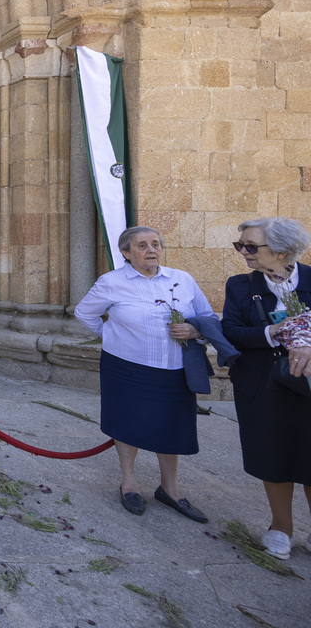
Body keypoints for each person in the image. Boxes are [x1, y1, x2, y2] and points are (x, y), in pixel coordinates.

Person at [74, 226, 214, 522]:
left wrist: (194, 330)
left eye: (155, 244)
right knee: (126, 422)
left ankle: (170, 489)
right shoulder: (112, 282)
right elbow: (84, 313)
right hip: (126, 366)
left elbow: (208, 317)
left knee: (172, 425)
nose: (151, 250)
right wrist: (111, 335)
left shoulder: (181, 279)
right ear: (125, 253)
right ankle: (129, 482)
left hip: (174, 367)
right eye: (142, 245)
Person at [221, 217, 311, 559]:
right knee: (273, 455)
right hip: (262, 383)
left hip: (309, 383)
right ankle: (281, 528)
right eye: (239, 245)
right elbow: (230, 330)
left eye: (251, 246)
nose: (243, 252)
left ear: (283, 251)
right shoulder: (240, 285)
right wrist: (272, 333)